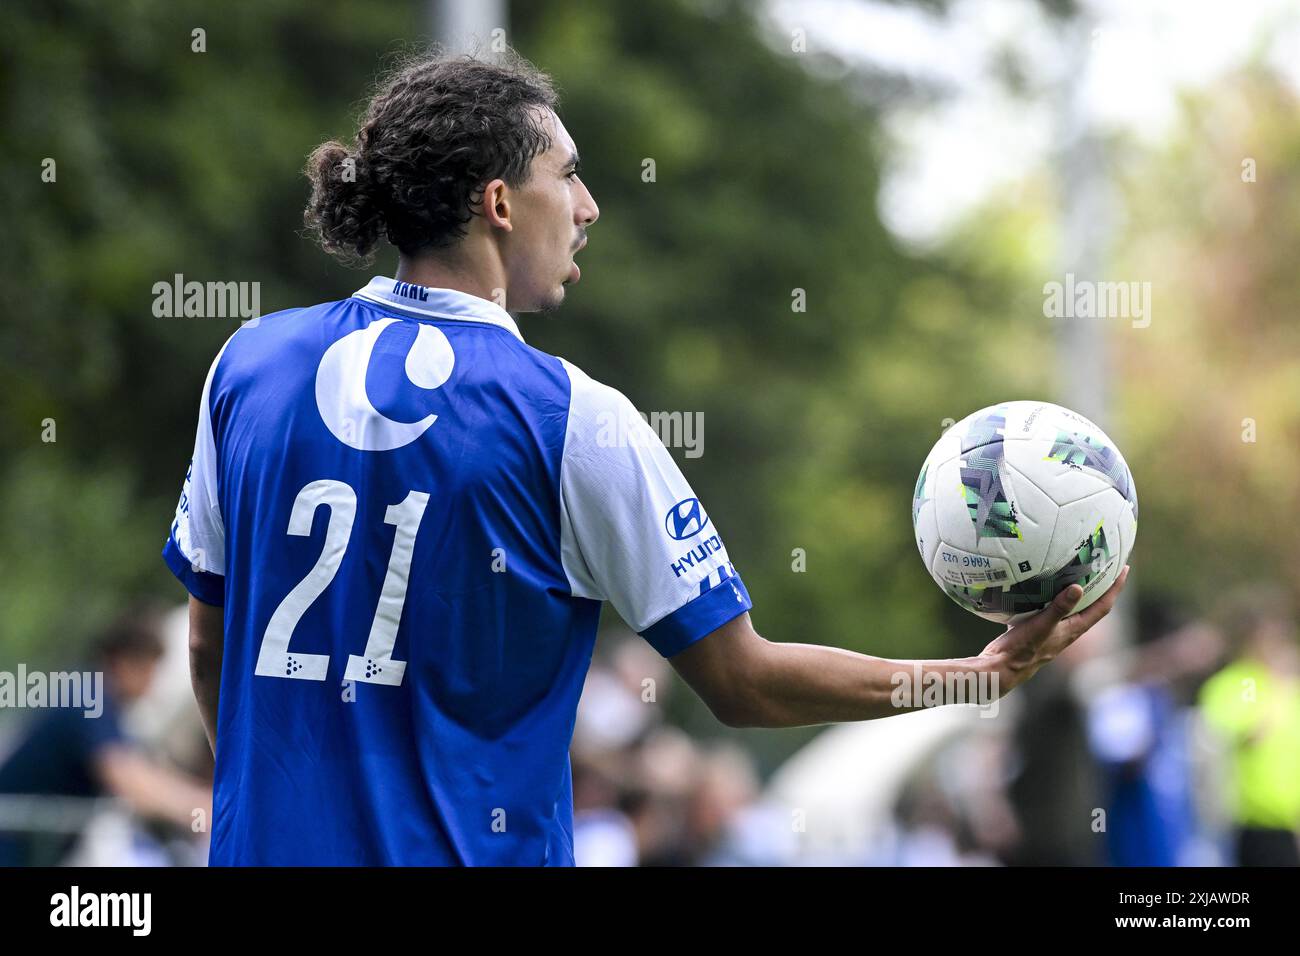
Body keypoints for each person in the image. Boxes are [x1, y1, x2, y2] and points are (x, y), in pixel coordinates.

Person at [165, 48, 1127, 865]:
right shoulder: (571, 417)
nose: (587, 206)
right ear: (500, 202)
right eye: (567, 175)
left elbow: (209, 645)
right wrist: (973, 676)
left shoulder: (247, 364)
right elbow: (743, 682)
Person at [0, 608, 212, 865]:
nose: (152, 682)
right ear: (124, 662)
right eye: (149, 669)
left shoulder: (99, 701)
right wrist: (200, 807)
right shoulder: (87, 697)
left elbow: (144, 769)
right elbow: (127, 776)